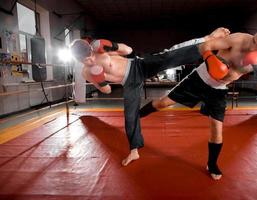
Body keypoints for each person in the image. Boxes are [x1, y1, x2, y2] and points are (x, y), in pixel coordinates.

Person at [69, 27, 230, 166]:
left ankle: (207, 41)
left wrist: (112, 45)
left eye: (90, 55)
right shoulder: (86, 73)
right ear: (78, 60)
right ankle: (134, 151)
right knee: (130, 116)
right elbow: (107, 91)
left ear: (90, 48)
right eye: (86, 60)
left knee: (169, 56)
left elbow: (128, 50)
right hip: (129, 83)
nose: (90, 59)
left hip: (138, 65)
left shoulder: (99, 49)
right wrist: (101, 79)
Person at [139, 25, 257, 180]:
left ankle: (212, 164)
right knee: (162, 103)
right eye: (254, 40)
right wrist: (211, 60)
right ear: (255, 35)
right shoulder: (239, 39)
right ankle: (136, 116)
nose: (253, 47)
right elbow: (206, 45)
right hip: (200, 78)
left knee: (217, 130)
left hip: (219, 89)